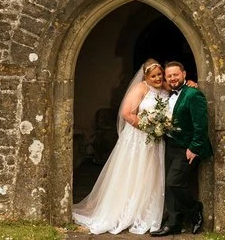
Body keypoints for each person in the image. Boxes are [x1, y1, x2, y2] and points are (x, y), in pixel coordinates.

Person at [72, 59, 168, 234]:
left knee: (150, 173)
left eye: (160, 74)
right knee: (133, 172)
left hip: (155, 140)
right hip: (138, 138)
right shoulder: (140, 88)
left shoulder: (164, 89)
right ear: (146, 76)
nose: (157, 78)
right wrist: (149, 128)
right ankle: (124, 211)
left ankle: (145, 212)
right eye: (153, 76)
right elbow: (126, 113)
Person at [151, 61, 213, 237]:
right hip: (171, 145)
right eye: (169, 76)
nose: (172, 78)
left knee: (174, 182)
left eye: (175, 75)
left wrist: (194, 147)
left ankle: (195, 210)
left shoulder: (193, 94)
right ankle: (173, 224)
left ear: (184, 74)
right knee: (169, 186)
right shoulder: (169, 94)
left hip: (187, 147)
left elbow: (201, 125)